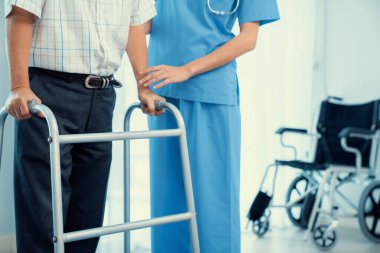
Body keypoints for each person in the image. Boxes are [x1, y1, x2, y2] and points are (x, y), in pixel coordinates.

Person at [4, 0, 164, 252]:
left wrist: (143, 87)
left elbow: (134, 26)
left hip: (102, 97)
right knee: (44, 210)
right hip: (49, 91)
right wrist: (19, 86)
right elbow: (21, 13)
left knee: (88, 210)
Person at [140, 0, 280, 252]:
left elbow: (248, 38)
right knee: (167, 200)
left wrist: (187, 70)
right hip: (162, 91)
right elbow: (142, 21)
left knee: (214, 201)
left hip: (210, 92)